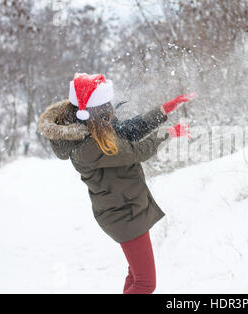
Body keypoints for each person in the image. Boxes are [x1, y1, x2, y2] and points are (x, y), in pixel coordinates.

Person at [38, 73, 196, 294]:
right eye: (105, 105)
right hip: (124, 215)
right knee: (145, 283)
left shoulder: (92, 128)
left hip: (124, 209)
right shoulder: (89, 147)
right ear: (90, 110)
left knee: (136, 276)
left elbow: (128, 130)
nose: (110, 109)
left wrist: (163, 111)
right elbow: (136, 151)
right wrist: (168, 133)